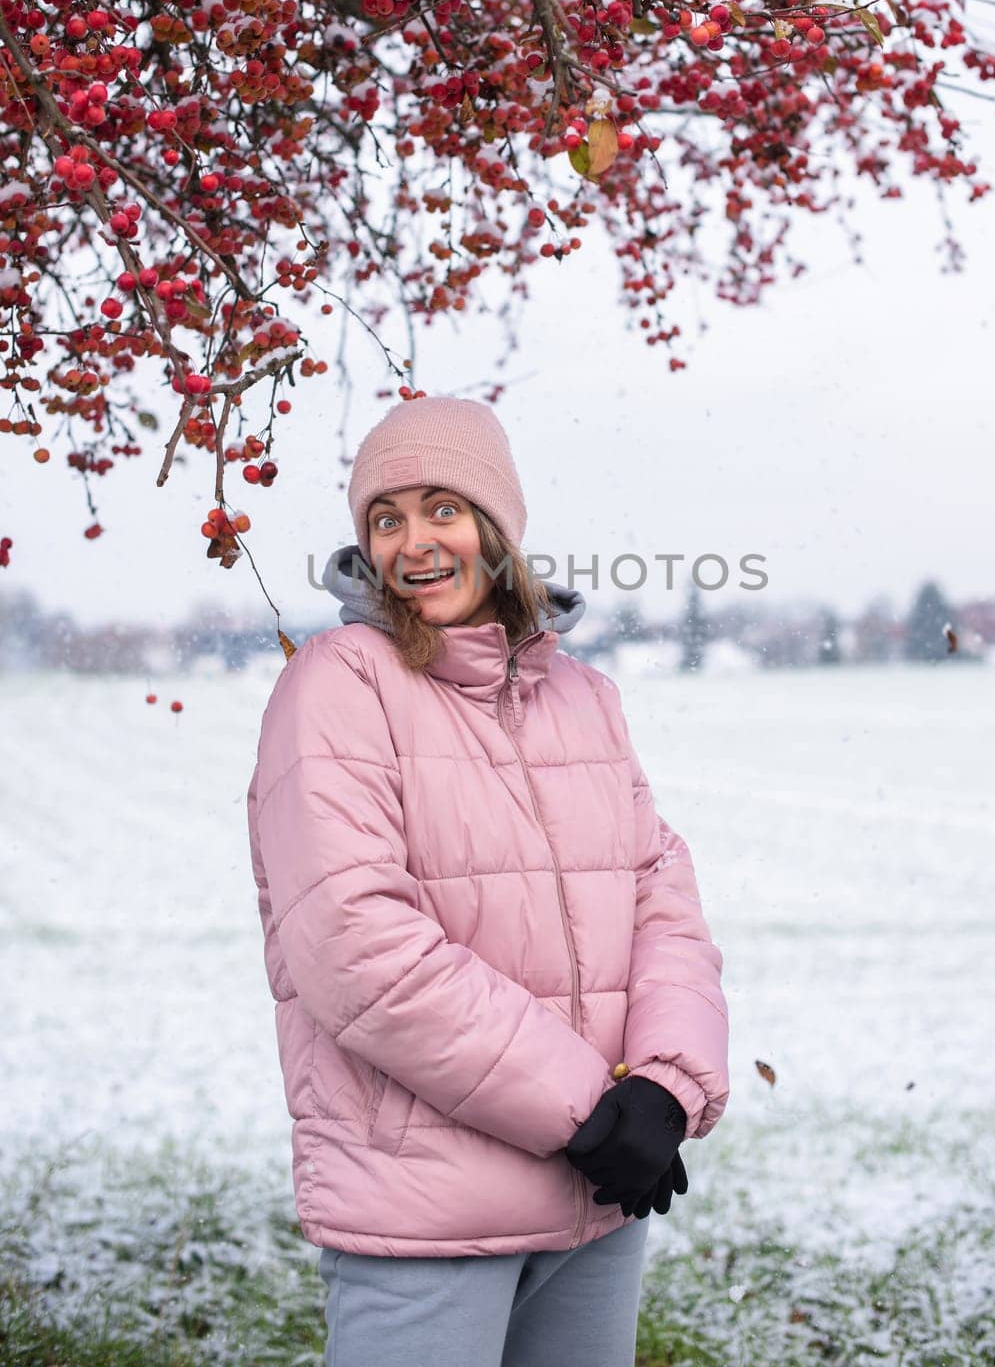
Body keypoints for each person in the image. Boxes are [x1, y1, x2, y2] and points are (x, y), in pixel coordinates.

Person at [246, 394, 730, 1367]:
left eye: (442, 508)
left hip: (598, 1205)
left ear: (497, 528)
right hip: (426, 1213)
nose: (413, 541)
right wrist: (584, 1109)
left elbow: (657, 891)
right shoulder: (339, 684)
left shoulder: (583, 695)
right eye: (386, 519)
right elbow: (360, 948)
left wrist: (666, 1090)